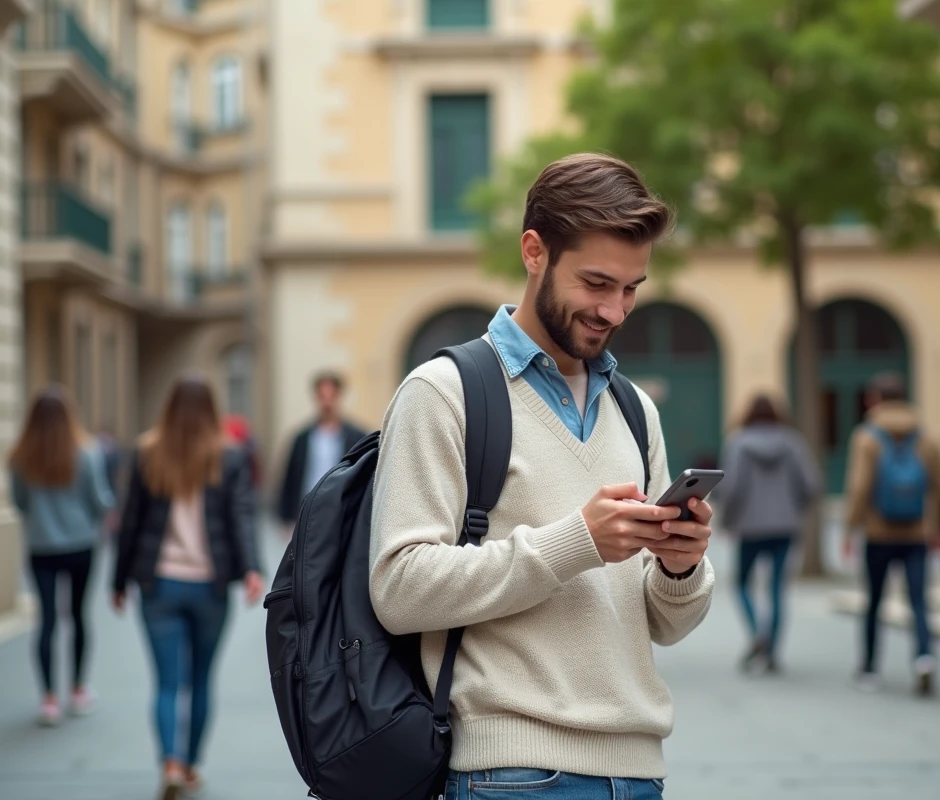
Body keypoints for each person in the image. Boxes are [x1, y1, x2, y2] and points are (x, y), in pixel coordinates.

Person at [369, 153, 715, 799]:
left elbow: (668, 625)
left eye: (632, 288)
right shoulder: (444, 393)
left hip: (640, 774)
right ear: (535, 251)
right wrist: (575, 542)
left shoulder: (636, 411)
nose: (615, 310)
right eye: (596, 283)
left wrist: (680, 567)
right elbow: (399, 588)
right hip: (514, 775)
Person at [111, 374, 264, 800]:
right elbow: (241, 517)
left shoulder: (148, 452)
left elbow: (130, 523)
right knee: (200, 679)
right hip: (209, 589)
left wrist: (118, 580)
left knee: (165, 682)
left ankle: (170, 763)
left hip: (158, 585)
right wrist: (251, 569)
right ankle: (192, 765)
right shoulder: (228, 456)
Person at [8, 386, 115, 726]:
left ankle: (49, 699)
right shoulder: (86, 452)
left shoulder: (21, 456)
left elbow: (20, 502)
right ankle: (79, 689)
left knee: (47, 622)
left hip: (41, 547)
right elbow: (100, 501)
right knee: (79, 616)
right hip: (81, 545)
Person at [843, 372, 940, 696]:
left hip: (878, 533)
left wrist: (851, 527)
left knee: (874, 601)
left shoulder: (867, 436)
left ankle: (870, 667)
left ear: (875, 399)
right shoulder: (926, 435)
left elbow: (860, 486)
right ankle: (923, 656)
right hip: (917, 532)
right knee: (919, 600)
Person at [717, 393, 820, 674]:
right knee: (776, 588)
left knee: (742, 583)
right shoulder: (793, 442)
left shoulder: (738, 442)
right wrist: (793, 509)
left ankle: (757, 635)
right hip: (785, 526)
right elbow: (811, 485)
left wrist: (727, 521)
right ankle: (772, 649)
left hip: (749, 527)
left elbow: (732, 487)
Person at [275, 371, 368, 535]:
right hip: (308, 513)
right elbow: (290, 478)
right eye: (322, 396)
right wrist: (286, 519)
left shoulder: (357, 438)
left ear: (339, 397)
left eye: (331, 396)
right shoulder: (302, 438)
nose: (327, 403)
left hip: (343, 512)